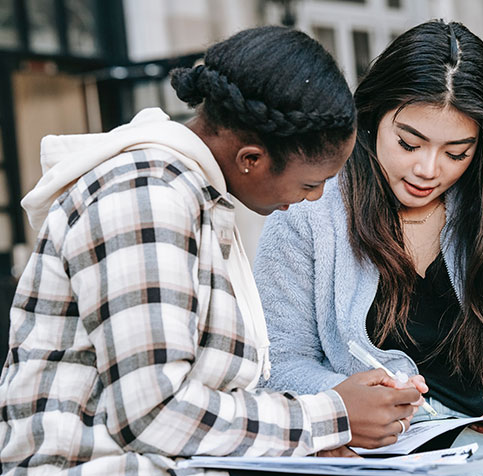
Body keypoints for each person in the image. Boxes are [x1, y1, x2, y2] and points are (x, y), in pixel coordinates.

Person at [0, 26, 423, 475]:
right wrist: (331, 416)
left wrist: (311, 437)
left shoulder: (191, 196)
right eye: (310, 182)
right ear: (251, 159)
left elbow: (204, 399)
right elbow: (153, 414)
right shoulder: (146, 199)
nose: (316, 198)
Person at [254, 20, 483, 476]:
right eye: (409, 143)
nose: (428, 169)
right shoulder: (309, 206)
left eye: (456, 153)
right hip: (367, 458)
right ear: (372, 116)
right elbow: (279, 360)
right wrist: (347, 404)